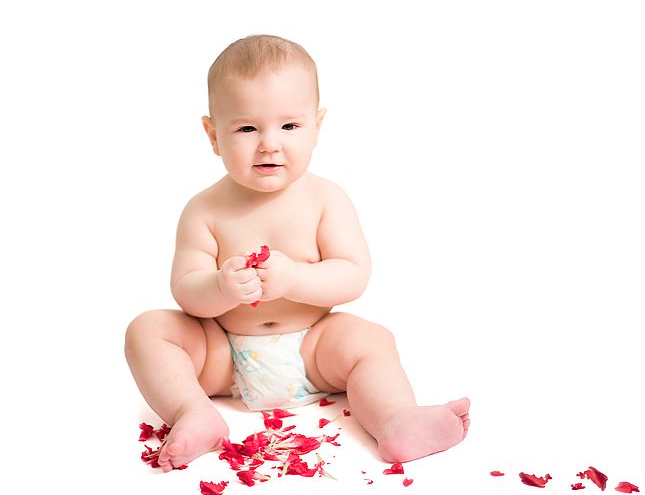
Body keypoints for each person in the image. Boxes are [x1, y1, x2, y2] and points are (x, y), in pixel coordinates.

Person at [124, 35, 470, 472]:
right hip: (223, 356)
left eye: (289, 126)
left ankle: (394, 419)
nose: (269, 143)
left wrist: (295, 280)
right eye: (247, 128)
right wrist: (219, 286)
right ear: (213, 135)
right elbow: (186, 291)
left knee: (370, 340)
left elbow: (353, 274)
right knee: (148, 329)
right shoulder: (204, 209)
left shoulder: (327, 199)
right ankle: (193, 411)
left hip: (313, 349)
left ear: (317, 127)